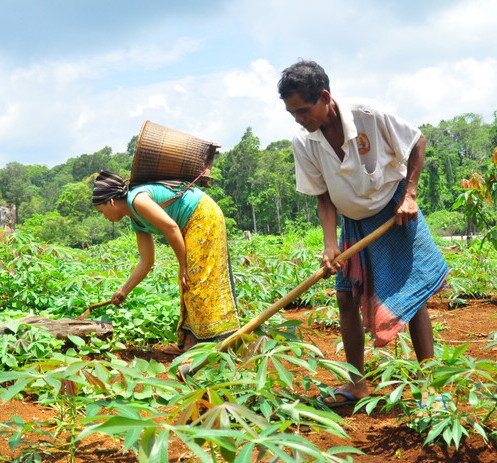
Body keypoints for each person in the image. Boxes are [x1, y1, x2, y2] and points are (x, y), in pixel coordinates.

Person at [278, 60, 449, 406]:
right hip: (352, 223)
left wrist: (410, 195)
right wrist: (329, 245)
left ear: (324, 97)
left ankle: (431, 384)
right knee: (344, 297)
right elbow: (323, 195)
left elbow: (417, 142)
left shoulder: (369, 114)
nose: (299, 119)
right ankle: (357, 383)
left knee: (413, 297)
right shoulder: (304, 141)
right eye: (292, 113)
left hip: (393, 211)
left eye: (303, 110)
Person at [92, 171, 240, 353]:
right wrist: (124, 290)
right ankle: (189, 342)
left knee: (195, 278)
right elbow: (147, 261)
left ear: (111, 202)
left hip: (203, 214)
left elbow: (171, 227)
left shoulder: (138, 200)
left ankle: (211, 343)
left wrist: (183, 265)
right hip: (189, 223)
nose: (103, 216)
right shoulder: (136, 221)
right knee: (186, 283)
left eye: (101, 211)